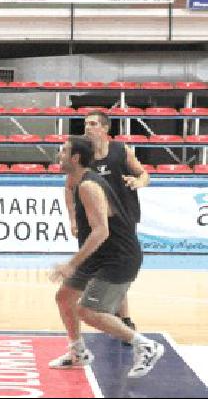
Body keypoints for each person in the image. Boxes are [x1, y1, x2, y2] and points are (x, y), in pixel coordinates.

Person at [50, 136, 164, 378]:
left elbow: (102, 231)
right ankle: (78, 352)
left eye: (63, 152)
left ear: (75, 158)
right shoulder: (75, 180)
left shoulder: (89, 186)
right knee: (64, 297)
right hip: (100, 255)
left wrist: (70, 264)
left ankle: (145, 345)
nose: (58, 156)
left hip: (119, 256)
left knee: (88, 311)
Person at [64, 110, 149, 344]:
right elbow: (68, 188)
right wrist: (72, 219)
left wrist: (137, 181)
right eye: (85, 124)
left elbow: (144, 174)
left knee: (115, 266)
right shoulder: (84, 156)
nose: (88, 128)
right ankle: (118, 319)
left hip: (122, 217)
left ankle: (125, 320)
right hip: (95, 220)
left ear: (105, 129)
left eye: (92, 124)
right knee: (106, 268)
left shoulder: (120, 151)